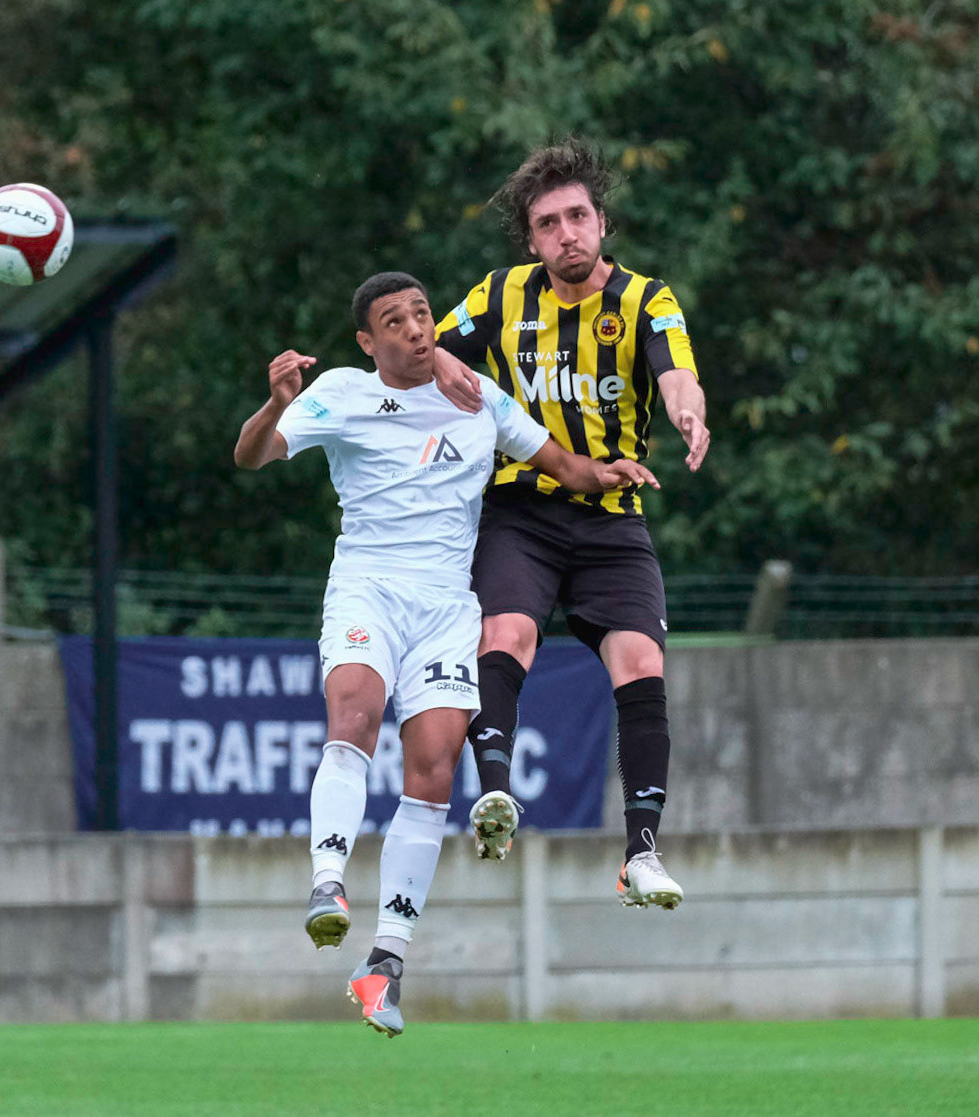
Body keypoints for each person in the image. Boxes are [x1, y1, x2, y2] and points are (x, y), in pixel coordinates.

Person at [235, 271, 653, 1036]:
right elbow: (252, 455)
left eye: (421, 314)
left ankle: (384, 964)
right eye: (393, 321)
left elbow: (556, 462)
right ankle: (327, 882)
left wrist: (605, 474)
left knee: (431, 769)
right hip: (367, 587)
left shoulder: (477, 396)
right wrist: (275, 403)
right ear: (368, 341)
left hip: (444, 606)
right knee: (353, 716)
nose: (415, 328)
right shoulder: (341, 392)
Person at [432, 139, 710, 910]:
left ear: (601, 223)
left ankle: (641, 853)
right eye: (548, 223)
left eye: (578, 216)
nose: (567, 234)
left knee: (639, 661)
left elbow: (676, 371)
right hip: (520, 510)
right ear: (531, 239)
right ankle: (495, 797)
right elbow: (425, 354)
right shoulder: (497, 295)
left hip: (612, 516)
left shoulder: (645, 301)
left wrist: (688, 411)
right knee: (507, 633)